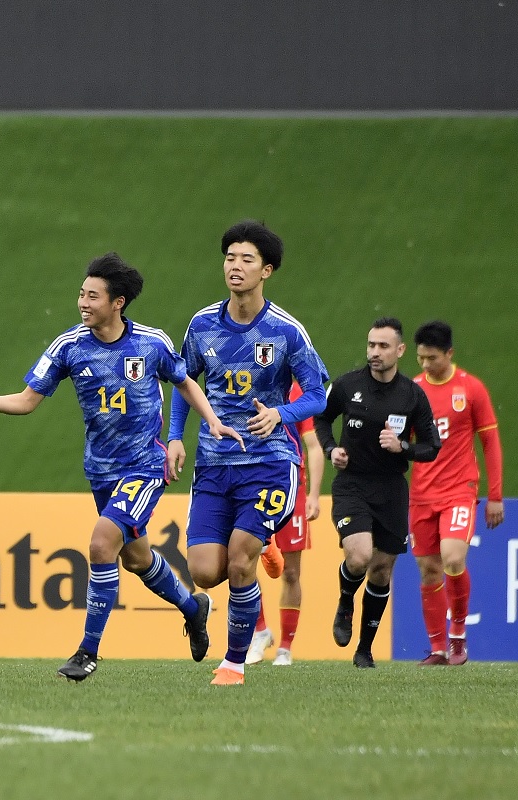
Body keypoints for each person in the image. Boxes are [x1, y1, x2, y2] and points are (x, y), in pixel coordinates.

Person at [0, 253, 241, 682]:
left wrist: (212, 422)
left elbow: (185, 381)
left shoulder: (151, 343)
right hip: (101, 472)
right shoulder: (69, 346)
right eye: (81, 294)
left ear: (118, 302)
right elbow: (28, 399)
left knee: (100, 544)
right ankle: (191, 606)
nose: (83, 303)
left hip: (145, 466)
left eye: (93, 296)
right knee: (136, 558)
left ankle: (87, 652)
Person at [166, 220, 329, 686]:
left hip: (270, 461)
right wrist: (175, 436)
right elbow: (184, 384)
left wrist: (281, 413)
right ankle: (264, 542)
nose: (235, 267)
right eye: (230, 258)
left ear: (267, 271)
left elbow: (319, 394)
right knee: (203, 574)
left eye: (247, 260)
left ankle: (234, 663)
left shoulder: (286, 331)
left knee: (240, 560)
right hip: (215, 464)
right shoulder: (201, 325)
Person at [314, 317, 441, 668]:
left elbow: (432, 446)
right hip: (352, 483)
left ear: (400, 351)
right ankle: (344, 603)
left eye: (383, 346)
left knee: (381, 570)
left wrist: (403, 448)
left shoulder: (412, 395)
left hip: (391, 490)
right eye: (371, 345)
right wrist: (330, 449)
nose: (374, 352)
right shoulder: (346, 385)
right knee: (358, 557)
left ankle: (365, 649)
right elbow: (321, 420)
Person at [410, 320, 504, 666]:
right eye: (420, 358)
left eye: (431, 358)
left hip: (459, 490)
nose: (425, 365)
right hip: (421, 493)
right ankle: (436, 649)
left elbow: (490, 441)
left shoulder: (471, 389)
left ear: (449, 354)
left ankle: (458, 637)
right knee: (428, 570)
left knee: (452, 557)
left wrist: (495, 495)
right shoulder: (413, 390)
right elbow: (400, 439)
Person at [245, 380, 325, 666]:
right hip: (252, 483)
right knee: (242, 561)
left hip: (292, 487)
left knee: (291, 572)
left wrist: (314, 495)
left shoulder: (298, 393)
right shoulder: (244, 381)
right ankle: (260, 632)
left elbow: (313, 445)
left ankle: (285, 648)